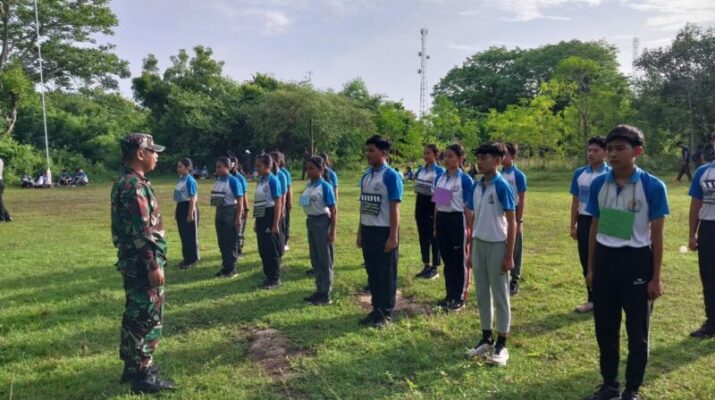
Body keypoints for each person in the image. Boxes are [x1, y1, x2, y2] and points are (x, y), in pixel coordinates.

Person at [584, 125, 668, 400]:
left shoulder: (652, 186)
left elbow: (657, 234)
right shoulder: (599, 184)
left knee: (637, 331)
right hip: (606, 261)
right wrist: (591, 268)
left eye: (620, 148)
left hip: (636, 261)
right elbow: (594, 227)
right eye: (609, 149)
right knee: (605, 328)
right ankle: (610, 384)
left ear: (637, 151)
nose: (612, 154)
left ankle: (632, 390)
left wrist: (655, 277)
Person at [111, 133, 174, 394]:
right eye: (152, 151)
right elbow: (142, 231)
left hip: (132, 261)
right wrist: (152, 264)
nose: (156, 156)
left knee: (135, 313)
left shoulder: (123, 181)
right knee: (148, 316)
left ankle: (132, 365)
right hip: (141, 263)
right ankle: (143, 373)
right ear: (140, 153)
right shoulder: (134, 186)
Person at [465, 142, 516, 367]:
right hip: (479, 244)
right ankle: (486, 338)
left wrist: (509, 254)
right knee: (482, 294)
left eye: (484, 158)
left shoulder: (502, 186)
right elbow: (473, 218)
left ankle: (502, 344)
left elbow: (512, 222)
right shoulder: (476, 186)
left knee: (500, 295)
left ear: (497, 161)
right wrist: (470, 249)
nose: (480, 162)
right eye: (478, 157)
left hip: (497, 245)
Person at [356, 135, 403, 328]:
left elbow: (395, 208)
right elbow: (364, 206)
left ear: (383, 153)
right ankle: (376, 309)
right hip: (368, 230)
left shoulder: (391, 176)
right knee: (373, 272)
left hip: (384, 231)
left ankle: (386, 313)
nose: (368, 154)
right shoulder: (366, 176)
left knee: (386, 274)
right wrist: (360, 232)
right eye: (367, 150)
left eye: (372, 150)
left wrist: (393, 236)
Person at [569, 137, 610, 313]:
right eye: (589, 150)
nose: (591, 154)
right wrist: (573, 225)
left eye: (596, 151)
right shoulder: (580, 173)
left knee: (606, 260)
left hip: (605, 221)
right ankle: (592, 299)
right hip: (585, 221)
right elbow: (575, 200)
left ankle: (607, 299)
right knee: (587, 260)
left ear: (605, 153)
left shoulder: (610, 174)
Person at [433, 144, 473, 310]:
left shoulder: (465, 179)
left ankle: (460, 296)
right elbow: (438, 204)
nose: (447, 160)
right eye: (445, 156)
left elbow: (468, 208)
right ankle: (450, 295)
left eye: (451, 156)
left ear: (460, 158)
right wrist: (436, 225)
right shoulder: (441, 178)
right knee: (448, 260)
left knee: (459, 260)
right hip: (442, 220)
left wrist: (471, 229)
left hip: (457, 220)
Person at [688, 131, 715, 338]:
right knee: (709, 277)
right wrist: (692, 234)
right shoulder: (703, 172)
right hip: (708, 229)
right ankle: (712, 322)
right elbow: (696, 204)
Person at [301, 156, 338, 305]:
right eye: (307, 168)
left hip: (322, 222)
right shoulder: (309, 185)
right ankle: (319, 289)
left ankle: (326, 293)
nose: (309, 171)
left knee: (324, 258)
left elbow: (333, 210)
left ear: (321, 169)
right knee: (315, 258)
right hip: (311, 221)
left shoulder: (325, 186)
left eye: (312, 168)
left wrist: (332, 231)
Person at [414, 144, 445, 280]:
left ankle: (435, 267)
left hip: (433, 205)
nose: (425, 156)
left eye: (428, 153)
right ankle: (426, 264)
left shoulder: (440, 171)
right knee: (423, 236)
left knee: (434, 236)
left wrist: (439, 211)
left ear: (436, 155)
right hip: (420, 204)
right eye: (424, 153)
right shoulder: (421, 170)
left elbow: (442, 195)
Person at [211, 157, 244, 278]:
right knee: (222, 241)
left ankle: (231, 269)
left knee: (230, 242)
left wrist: (238, 218)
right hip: (220, 211)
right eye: (216, 167)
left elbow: (240, 200)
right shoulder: (218, 180)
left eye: (220, 167)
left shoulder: (233, 181)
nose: (217, 169)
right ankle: (225, 267)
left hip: (230, 211)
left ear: (227, 167)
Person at [253, 153, 283, 289]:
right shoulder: (260, 181)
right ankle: (268, 274)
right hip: (261, 215)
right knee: (263, 248)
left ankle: (275, 278)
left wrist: (275, 224)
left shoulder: (273, 180)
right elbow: (258, 201)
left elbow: (278, 203)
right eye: (256, 166)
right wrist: (256, 221)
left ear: (267, 166)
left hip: (270, 215)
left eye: (259, 166)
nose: (257, 168)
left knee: (271, 248)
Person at [501, 142, 527, 296]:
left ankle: (515, 280)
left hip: (514, 212)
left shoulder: (518, 175)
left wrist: (519, 220)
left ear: (513, 156)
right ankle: (503, 276)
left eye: (505, 154)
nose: (502, 157)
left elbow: (522, 199)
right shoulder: (498, 174)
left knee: (515, 248)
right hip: (500, 213)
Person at [174, 158, 200, 270]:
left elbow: (193, 198)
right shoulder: (180, 180)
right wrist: (177, 211)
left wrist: (190, 214)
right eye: (178, 166)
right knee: (184, 235)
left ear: (187, 168)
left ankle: (193, 259)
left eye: (180, 166)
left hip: (189, 207)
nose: (178, 168)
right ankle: (186, 258)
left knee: (190, 235)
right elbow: (179, 198)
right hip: (181, 207)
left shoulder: (190, 180)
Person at [230, 157, 250, 259]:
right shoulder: (226, 178)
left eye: (232, 164)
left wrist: (246, 210)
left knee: (239, 231)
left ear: (236, 165)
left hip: (240, 207)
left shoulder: (240, 178)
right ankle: (232, 250)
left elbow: (244, 195)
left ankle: (239, 251)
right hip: (230, 208)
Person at [270, 151, 288, 253]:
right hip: (269, 207)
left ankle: (280, 249)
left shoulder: (281, 175)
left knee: (279, 228)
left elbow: (283, 194)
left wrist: (282, 209)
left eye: (274, 160)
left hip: (278, 206)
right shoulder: (266, 176)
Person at [0, 157, 11, 222]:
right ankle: (7, 216)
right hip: (1, 181)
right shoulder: (1, 160)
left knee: (0, 202)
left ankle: (2, 218)